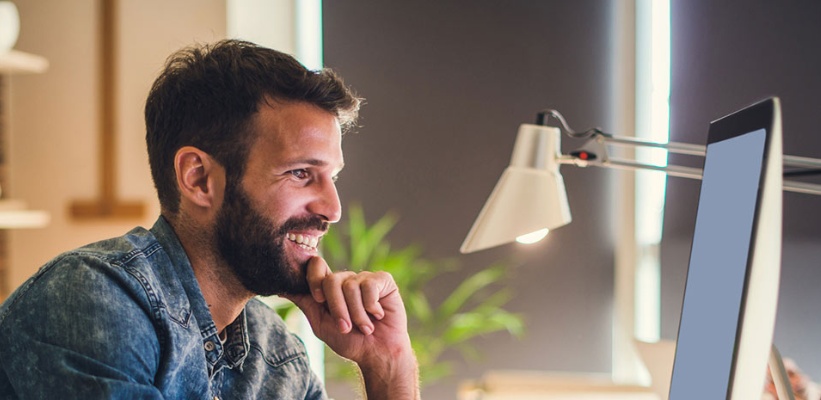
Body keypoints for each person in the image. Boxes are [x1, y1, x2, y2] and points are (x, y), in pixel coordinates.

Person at [0, 39, 419, 399]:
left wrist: (388, 365)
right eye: (300, 174)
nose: (333, 208)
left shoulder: (277, 356)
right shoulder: (93, 299)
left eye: (332, 177)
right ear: (199, 178)